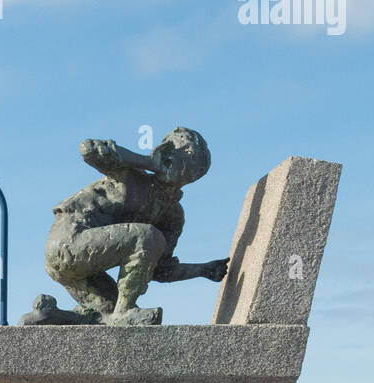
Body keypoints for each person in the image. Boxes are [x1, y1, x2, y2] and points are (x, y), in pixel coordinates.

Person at [22, 128, 229, 325]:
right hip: (67, 243)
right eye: (180, 154)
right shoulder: (130, 176)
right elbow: (88, 149)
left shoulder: (172, 215)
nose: (184, 166)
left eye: (192, 162)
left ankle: (48, 315)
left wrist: (203, 269)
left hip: (75, 267)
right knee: (147, 236)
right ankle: (125, 310)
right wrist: (148, 162)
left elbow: (160, 270)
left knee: (104, 315)